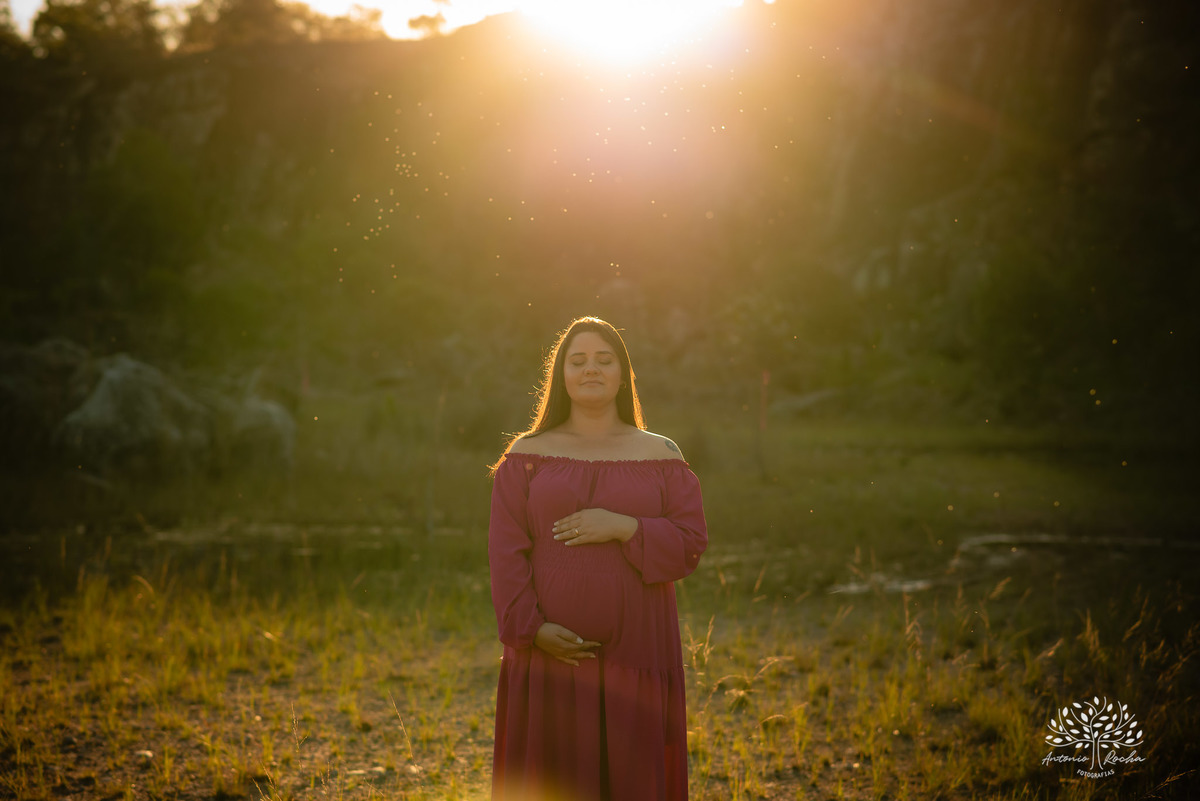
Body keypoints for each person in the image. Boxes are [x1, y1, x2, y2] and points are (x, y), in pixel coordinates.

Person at [487, 316, 708, 801]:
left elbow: (690, 544)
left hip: (639, 651)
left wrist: (625, 526)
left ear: (623, 374)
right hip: (549, 655)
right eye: (579, 360)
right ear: (560, 375)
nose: (592, 369)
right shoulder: (527, 454)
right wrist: (532, 630)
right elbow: (506, 552)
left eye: (605, 360)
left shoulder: (660, 454)